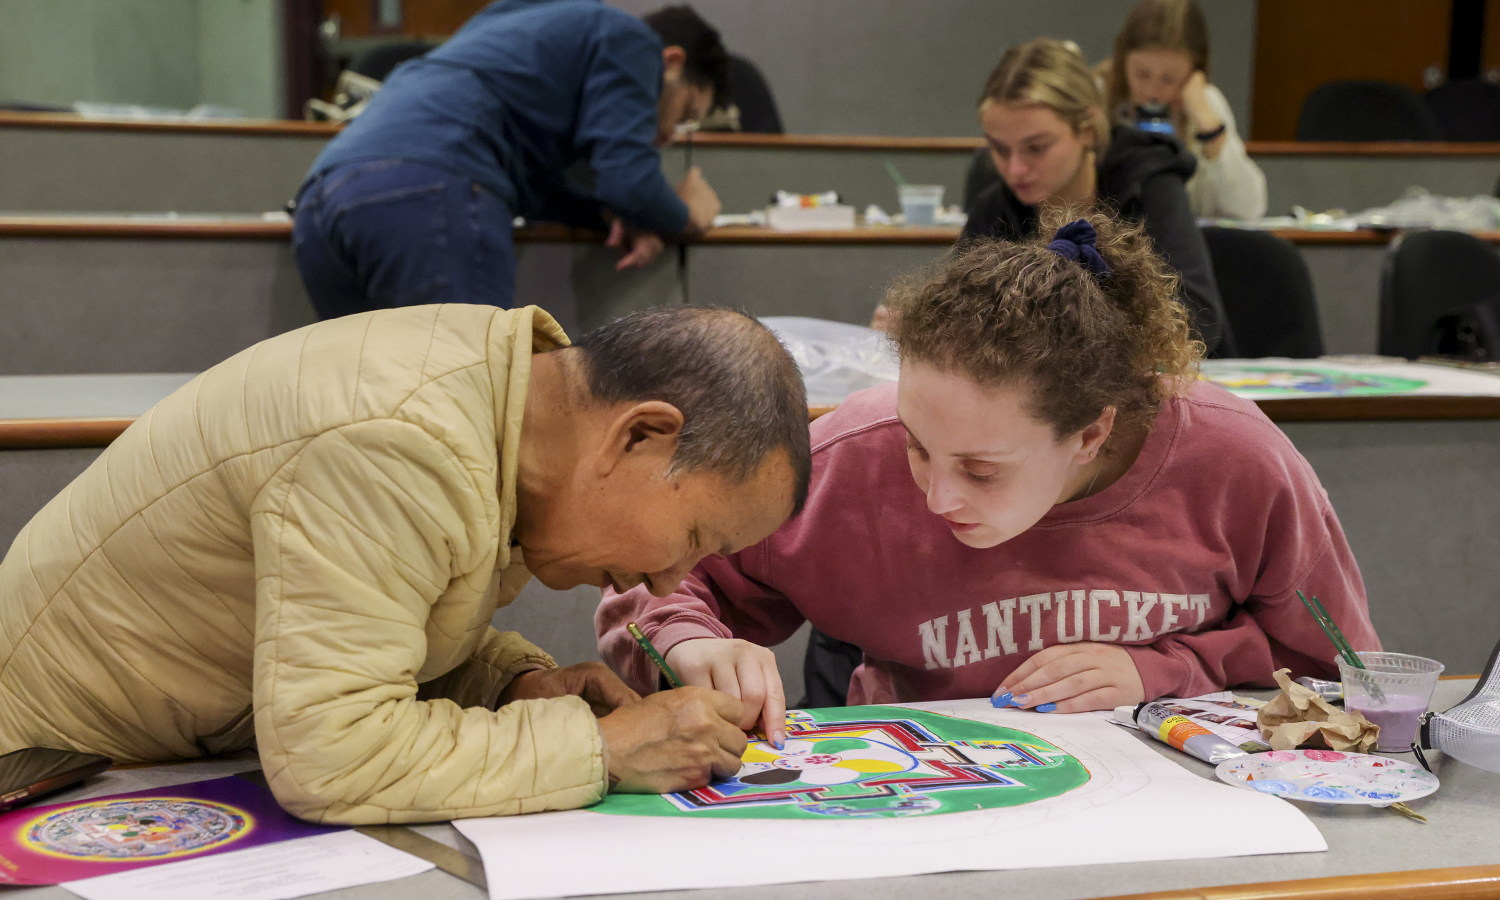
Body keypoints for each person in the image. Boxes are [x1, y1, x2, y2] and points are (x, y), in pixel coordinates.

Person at [0, 304, 811, 824]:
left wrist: (513, 684)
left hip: (172, 761)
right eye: (697, 536)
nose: (671, 582)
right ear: (639, 435)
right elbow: (331, 755)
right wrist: (602, 748)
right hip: (47, 778)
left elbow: (361, 620)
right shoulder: (401, 443)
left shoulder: (497, 401)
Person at [598, 212, 1377, 748]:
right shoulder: (849, 458)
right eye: (916, 445)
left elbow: (1338, 673)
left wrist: (1165, 670)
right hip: (920, 796)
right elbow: (649, 586)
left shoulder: (1237, 463)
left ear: (1090, 434)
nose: (938, 496)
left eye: (980, 469)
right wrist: (690, 642)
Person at [292, 1, 725, 320]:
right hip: (429, 190)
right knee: (468, 402)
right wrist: (686, 214)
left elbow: (547, 189)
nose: (668, 137)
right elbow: (628, 180)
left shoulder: (518, 20)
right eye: (685, 112)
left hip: (322, 201)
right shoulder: (634, 41)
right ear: (670, 62)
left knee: (368, 412)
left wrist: (617, 215)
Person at [943, 38, 1234, 357]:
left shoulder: (1149, 184)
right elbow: (956, 317)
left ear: (1088, 130)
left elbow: (1197, 318)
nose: (1014, 169)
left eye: (1036, 147)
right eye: (998, 149)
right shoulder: (994, 207)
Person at [1101, 0, 1268, 220]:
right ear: (1122, 63)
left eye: (1168, 79)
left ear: (1194, 72)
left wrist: (1210, 129)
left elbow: (1249, 209)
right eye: (1142, 74)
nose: (1152, 91)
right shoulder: (1097, 96)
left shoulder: (1206, 104)